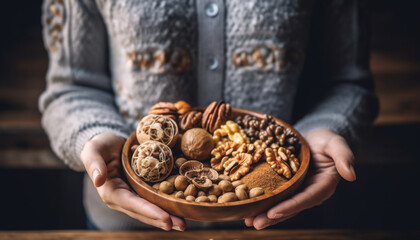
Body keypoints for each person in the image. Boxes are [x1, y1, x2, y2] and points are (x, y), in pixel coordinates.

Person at [40, 0, 378, 231]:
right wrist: (94, 134)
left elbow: (347, 80)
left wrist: (327, 127)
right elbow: (71, 87)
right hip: (128, 224)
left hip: (289, 218)